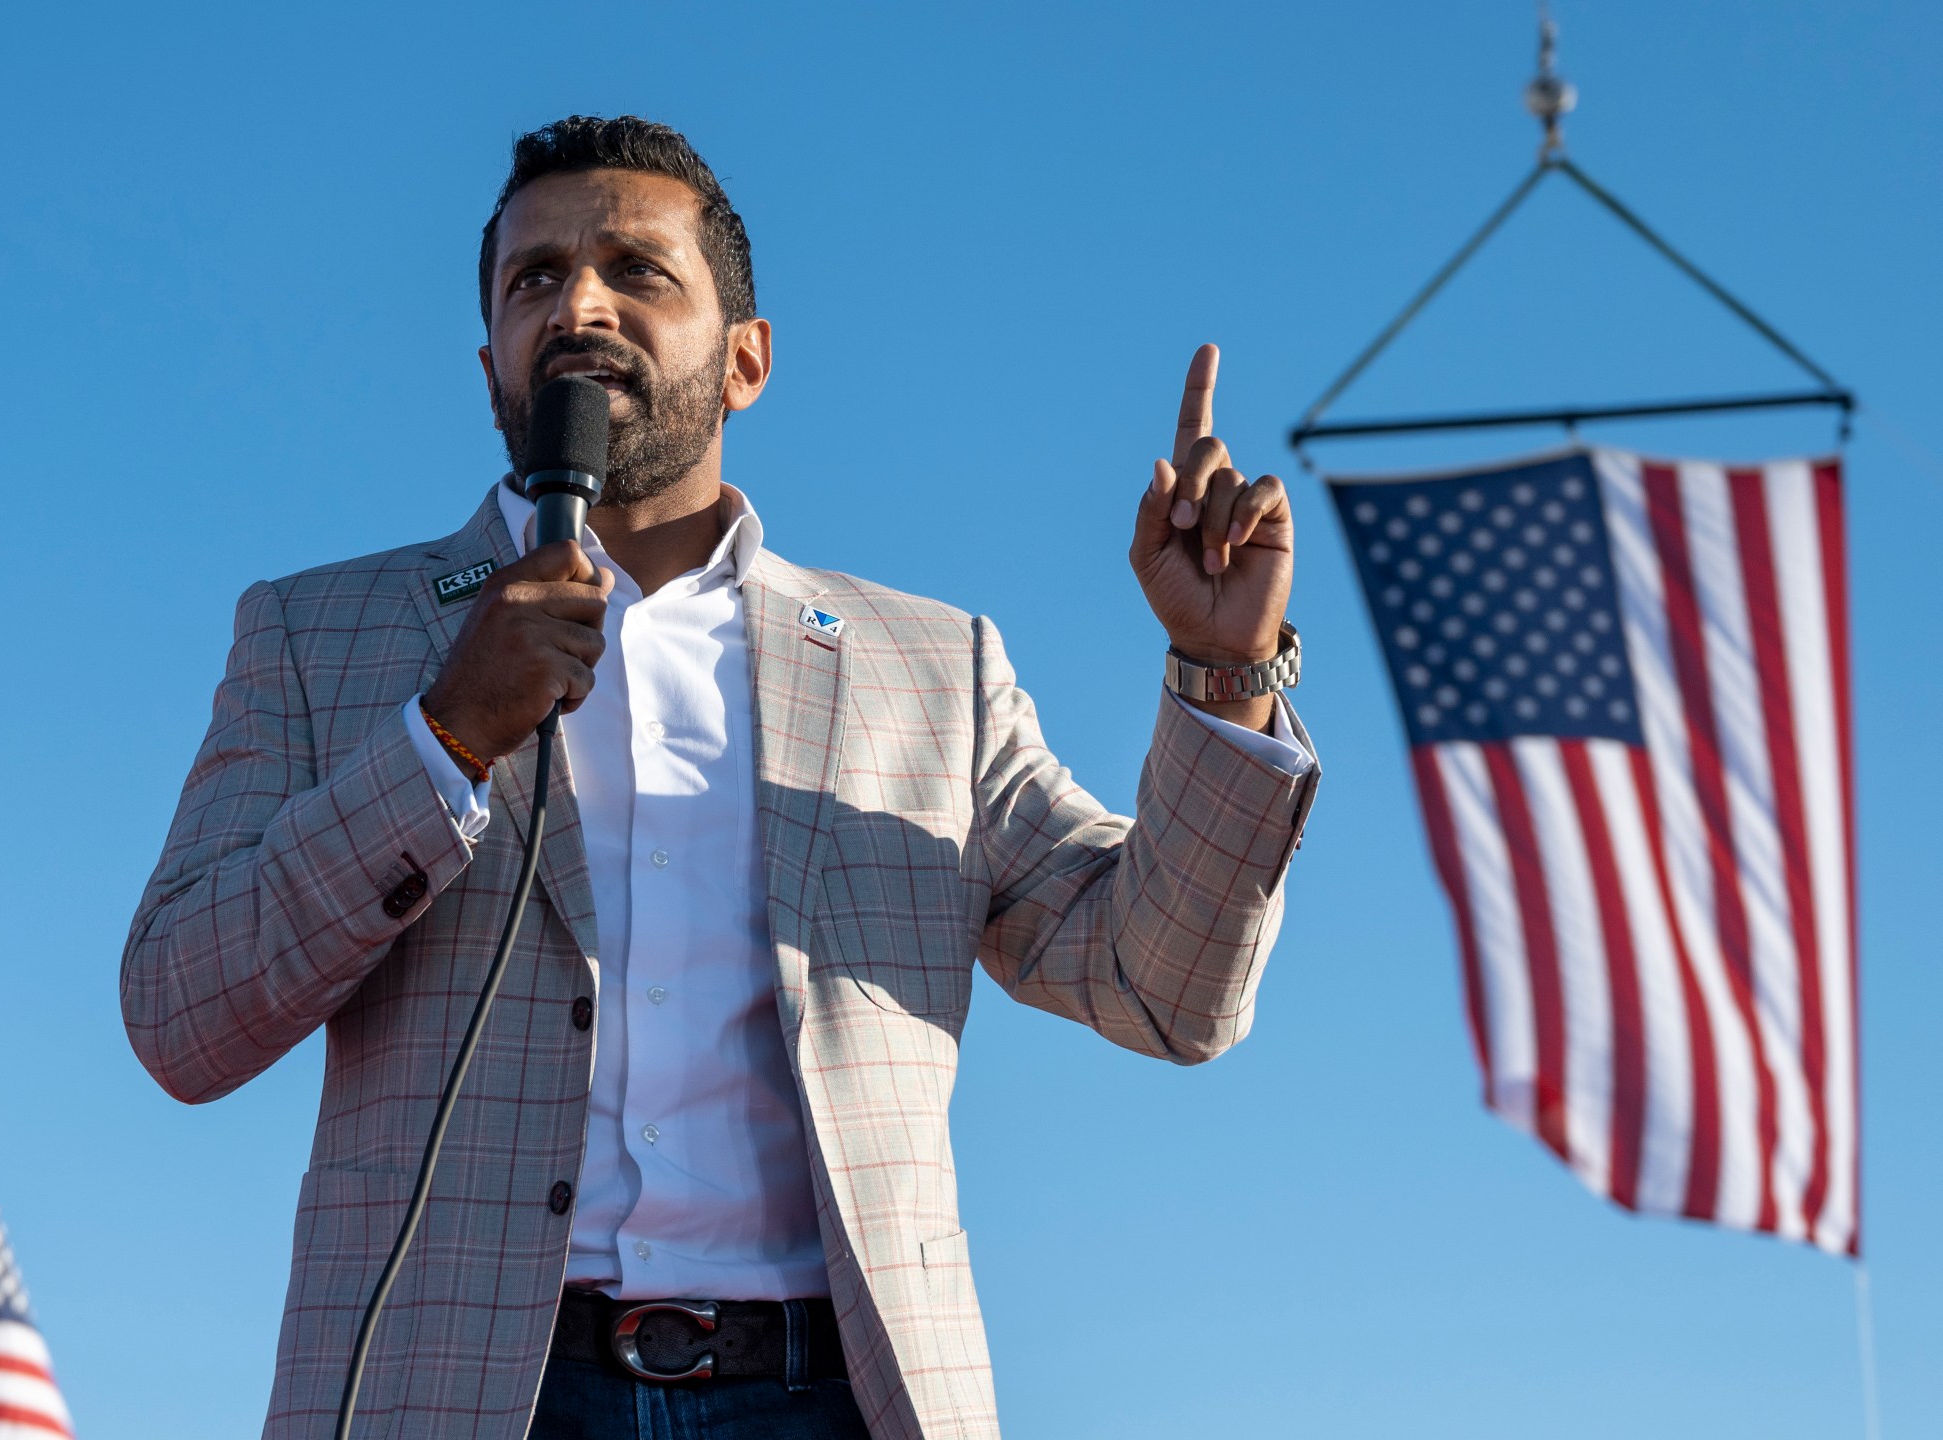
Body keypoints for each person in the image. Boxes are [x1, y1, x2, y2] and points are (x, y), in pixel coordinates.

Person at [122, 114, 1319, 1440]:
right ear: (489, 369)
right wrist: (443, 739)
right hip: (471, 1397)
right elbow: (182, 1017)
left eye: (638, 271)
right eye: (535, 280)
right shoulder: (321, 634)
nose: (579, 302)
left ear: (745, 360)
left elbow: (1165, 991)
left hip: (834, 1394)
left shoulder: (929, 667)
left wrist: (1224, 677)